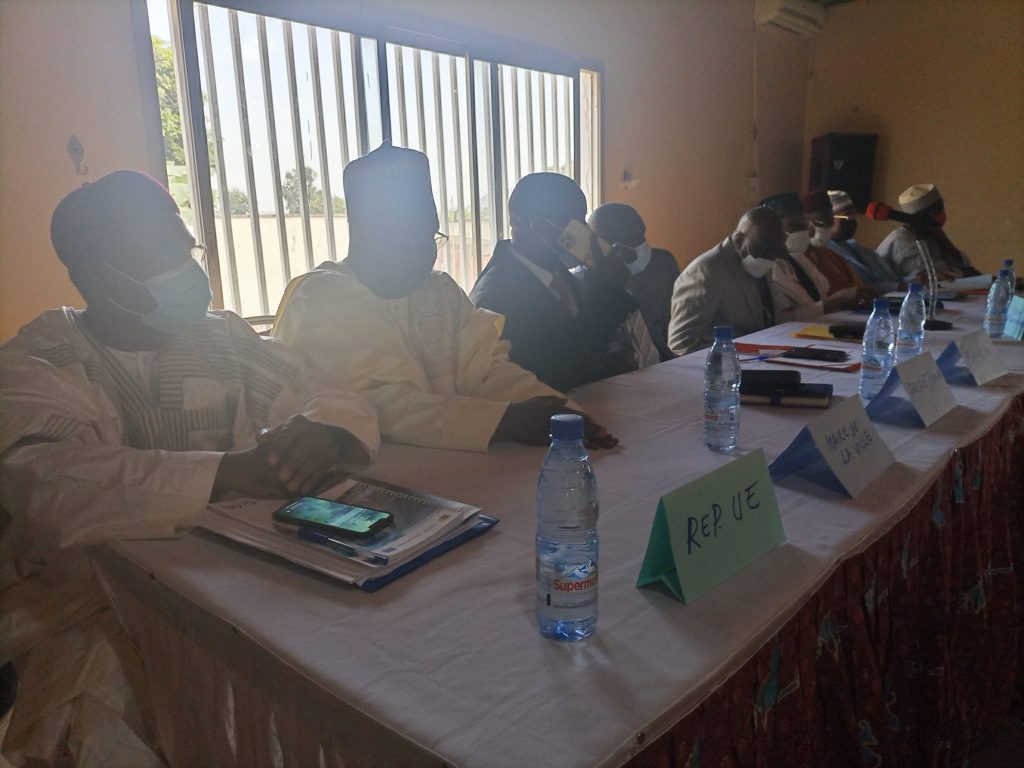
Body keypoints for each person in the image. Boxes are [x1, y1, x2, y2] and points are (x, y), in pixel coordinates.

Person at [0, 171, 380, 766]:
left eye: (184, 248)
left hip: (246, 583)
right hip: (93, 606)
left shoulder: (222, 337)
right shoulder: (38, 363)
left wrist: (323, 432)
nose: (185, 269)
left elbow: (329, 391)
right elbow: (52, 485)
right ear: (96, 277)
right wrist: (226, 473)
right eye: (158, 254)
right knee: (102, 714)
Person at [273, 144, 616, 451]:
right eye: (409, 237)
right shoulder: (322, 298)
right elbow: (375, 405)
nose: (424, 251)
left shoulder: (438, 289)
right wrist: (504, 421)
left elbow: (487, 371)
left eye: (431, 235)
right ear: (364, 232)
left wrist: (557, 411)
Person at [470, 173, 642, 392]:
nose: (585, 232)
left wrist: (612, 354)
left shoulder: (559, 273)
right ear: (540, 227)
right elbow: (554, 371)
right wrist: (610, 289)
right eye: (575, 223)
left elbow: (584, 338)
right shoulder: (498, 296)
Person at [667, 207, 785, 355]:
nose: (768, 260)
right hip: (727, 362)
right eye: (762, 252)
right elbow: (681, 341)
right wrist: (734, 355)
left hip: (764, 355)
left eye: (774, 253)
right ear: (739, 240)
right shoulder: (706, 271)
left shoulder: (762, 255)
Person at [587, 202, 679, 361]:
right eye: (626, 237)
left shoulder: (663, 262)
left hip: (669, 358)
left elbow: (675, 317)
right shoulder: (591, 281)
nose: (638, 244)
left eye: (639, 236)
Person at [759, 192, 859, 322]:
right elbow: (779, 319)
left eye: (804, 225)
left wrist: (847, 297)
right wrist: (827, 306)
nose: (802, 231)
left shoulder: (798, 258)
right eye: (795, 226)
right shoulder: (765, 269)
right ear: (773, 231)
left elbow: (822, 294)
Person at [875, 183, 978, 281]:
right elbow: (927, 277)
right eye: (936, 211)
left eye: (941, 207)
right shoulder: (901, 239)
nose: (941, 214)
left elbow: (965, 267)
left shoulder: (931, 235)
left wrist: (942, 238)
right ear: (922, 217)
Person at [799, 189, 876, 299]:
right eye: (821, 221)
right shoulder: (796, 257)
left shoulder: (830, 253)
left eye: (829, 221)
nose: (827, 227)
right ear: (805, 223)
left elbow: (858, 285)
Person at [825, 189, 901, 294]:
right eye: (847, 215)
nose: (851, 220)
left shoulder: (853, 246)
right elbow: (854, 286)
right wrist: (897, 287)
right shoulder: (825, 252)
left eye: (853, 215)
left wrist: (908, 283)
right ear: (830, 219)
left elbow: (885, 276)